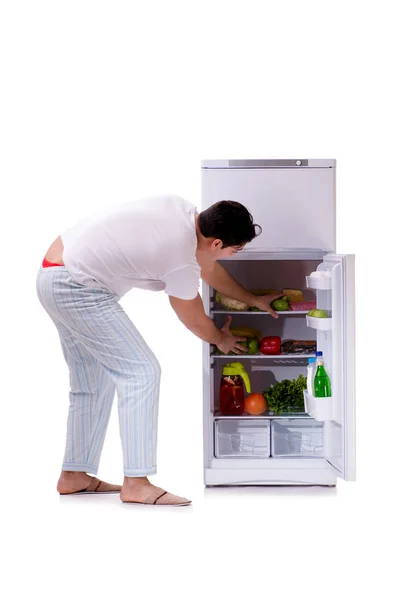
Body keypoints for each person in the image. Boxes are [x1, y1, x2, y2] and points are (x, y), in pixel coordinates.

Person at [36, 196, 283, 506]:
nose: (232, 256)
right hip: (76, 286)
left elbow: (207, 269)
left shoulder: (182, 212)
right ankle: (137, 483)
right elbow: (192, 318)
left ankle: (74, 475)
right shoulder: (178, 254)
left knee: (92, 382)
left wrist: (251, 298)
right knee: (142, 372)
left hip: (53, 274)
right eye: (234, 250)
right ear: (217, 243)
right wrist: (222, 340)